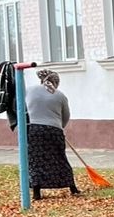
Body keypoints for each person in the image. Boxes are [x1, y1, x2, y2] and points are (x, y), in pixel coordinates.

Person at [25, 68, 81, 200]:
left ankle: (37, 192)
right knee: (60, 158)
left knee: (35, 160)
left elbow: (22, 109)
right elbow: (66, 116)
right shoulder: (60, 95)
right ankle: (72, 187)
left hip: (34, 130)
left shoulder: (29, 91)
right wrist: (59, 127)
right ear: (55, 82)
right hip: (54, 131)